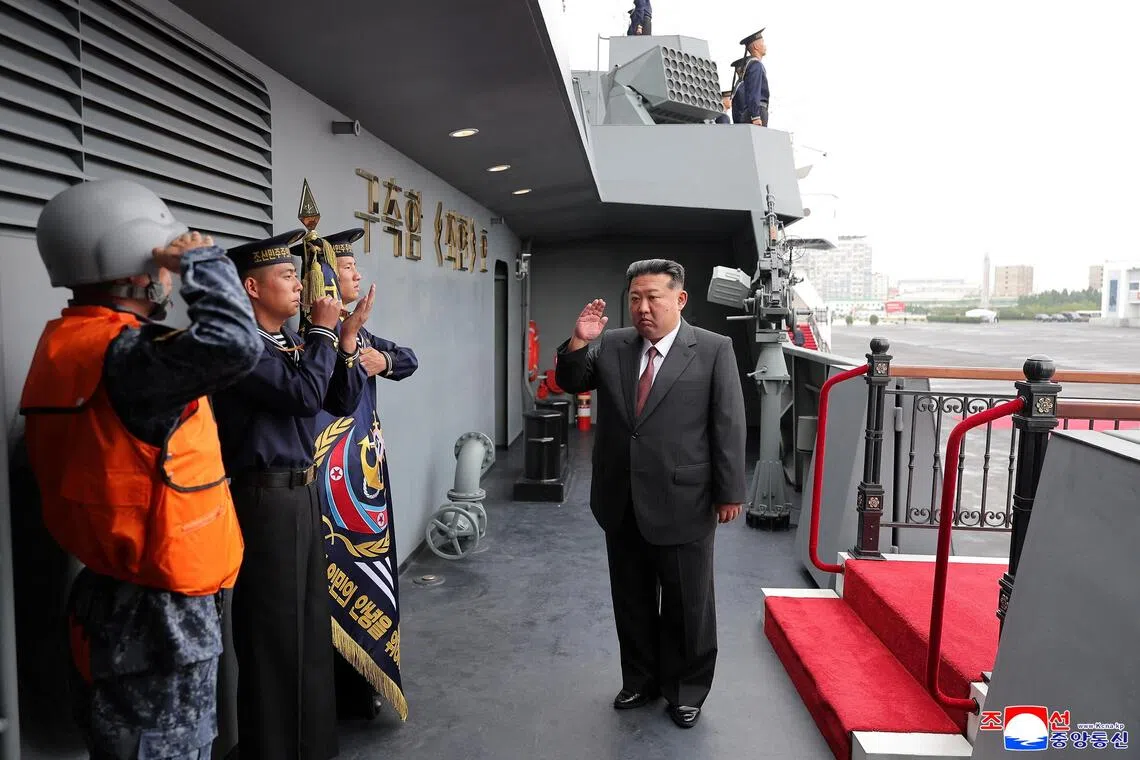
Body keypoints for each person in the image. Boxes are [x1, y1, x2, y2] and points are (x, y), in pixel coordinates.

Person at [19, 179, 262, 759]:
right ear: (136, 263)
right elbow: (235, 344)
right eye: (163, 261)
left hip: (114, 596)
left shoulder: (71, 346)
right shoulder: (128, 359)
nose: (169, 275)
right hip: (160, 618)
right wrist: (204, 261)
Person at [554, 259, 746, 729]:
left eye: (653, 297)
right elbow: (571, 381)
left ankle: (686, 690)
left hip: (686, 498)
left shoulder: (714, 349)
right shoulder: (615, 344)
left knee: (688, 604)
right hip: (620, 497)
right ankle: (639, 680)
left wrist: (729, 491)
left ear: (679, 299)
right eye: (635, 298)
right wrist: (579, 341)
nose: (642, 308)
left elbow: (728, 423)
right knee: (632, 598)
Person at [211, 231, 374, 759]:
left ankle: (312, 743)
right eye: (286, 277)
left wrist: (345, 339)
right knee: (272, 633)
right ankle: (273, 747)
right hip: (264, 498)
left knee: (308, 627)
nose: (299, 287)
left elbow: (339, 400)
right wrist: (326, 334)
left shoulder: (287, 343)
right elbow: (303, 396)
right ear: (251, 287)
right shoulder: (240, 346)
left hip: (301, 495)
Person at [319, 228, 419, 720]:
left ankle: (365, 682)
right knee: (338, 582)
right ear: (325, 278)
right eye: (348, 267)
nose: (358, 274)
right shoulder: (314, 337)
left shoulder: (360, 330)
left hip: (366, 476)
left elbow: (409, 359)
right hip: (331, 483)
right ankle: (345, 689)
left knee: (372, 581)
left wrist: (382, 359)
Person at [735, 29, 769, 126]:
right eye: (762, 42)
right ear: (755, 46)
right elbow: (754, 91)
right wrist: (755, 116)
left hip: (754, 110)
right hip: (757, 110)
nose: (765, 45)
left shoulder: (752, 65)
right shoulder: (756, 65)